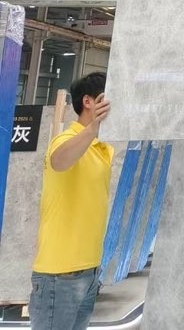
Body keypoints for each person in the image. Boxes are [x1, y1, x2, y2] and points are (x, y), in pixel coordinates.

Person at [29, 72, 113, 330]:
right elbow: (59, 161)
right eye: (106, 100)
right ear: (88, 102)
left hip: (89, 272)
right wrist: (92, 129)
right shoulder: (65, 140)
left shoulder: (103, 148)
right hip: (60, 276)